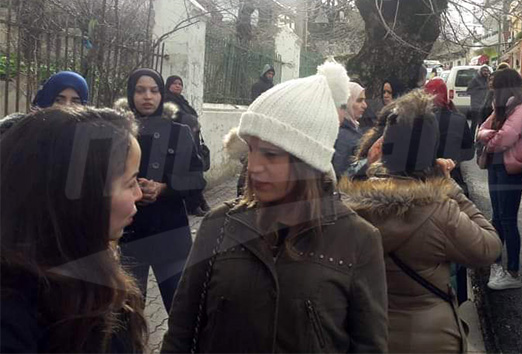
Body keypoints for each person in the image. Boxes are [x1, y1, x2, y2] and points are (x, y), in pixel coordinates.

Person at [162, 63, 387, 353]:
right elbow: (180, 333)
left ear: (307, 161)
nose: (254, 167)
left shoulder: (358, 239)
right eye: (251, 149)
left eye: (270, 154)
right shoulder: (219, 225)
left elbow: (369, 346)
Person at [340, 89, 500, 353]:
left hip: (367, 336)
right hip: (432, 339)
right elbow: (489, 247)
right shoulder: (439, 212)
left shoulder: (349, 207)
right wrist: (448, 186)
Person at [0, 108, 147, 352]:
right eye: (130, 183)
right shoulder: (14, 314)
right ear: (82, 196)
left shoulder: (89, 270)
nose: (139, 194)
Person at [117, 69, 206, 312]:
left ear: (161, 95)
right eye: (140, 90)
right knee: (127, 313)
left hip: (170, 234)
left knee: (180, 308)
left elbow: (197, 179)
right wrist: (130, 188)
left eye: (154, 91)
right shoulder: (117, 133)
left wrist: (165, 187)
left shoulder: (179, 132)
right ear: (131, 94)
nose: (147, 96)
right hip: (129, 236)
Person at [478, 69, 522, 291]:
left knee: (508, 218)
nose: (492, 90)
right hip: (496, 165)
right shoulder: (500, 107)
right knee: (498, 217)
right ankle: (496, 263)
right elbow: (482, 130)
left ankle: (513, 272)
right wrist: (488, 136)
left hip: (511, 169)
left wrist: (489, 142)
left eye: (495, 86)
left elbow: (506, 138)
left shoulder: (521, 108)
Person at [164, 75, 210, 216]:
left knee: (196, 171)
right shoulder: (166, 101)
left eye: (180, 84)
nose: (178, 86)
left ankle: (199, 200)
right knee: (186, 172)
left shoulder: (182, 101)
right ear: (168, 85)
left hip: (192, 141)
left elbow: (192, 116)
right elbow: (174, 120)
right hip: (178, 143)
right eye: (174, 83)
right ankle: (193, 205)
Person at [424, 77, 474, 195]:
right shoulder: (459, 119)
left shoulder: (421, 121)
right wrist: (454, 160)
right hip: (453, 177)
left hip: (426, 181)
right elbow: (469, 152)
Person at [333, 82, 368, 177]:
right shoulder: (343, 134)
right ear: (348, 102)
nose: (365, 105)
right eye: (359, 100)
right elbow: (340, 171)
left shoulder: (353, 127)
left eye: (364, 100)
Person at [467, 66, 491, 138]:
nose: (485, 72)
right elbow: (469, 91)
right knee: (474, 124)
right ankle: (471, 139)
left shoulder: (488, 80)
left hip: (485, 106)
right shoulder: (475, 80)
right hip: (476, 106)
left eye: (487, 71)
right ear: (480, 72)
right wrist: (479, 89)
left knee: (483, 124)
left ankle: (480, 138)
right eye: (484, 71)